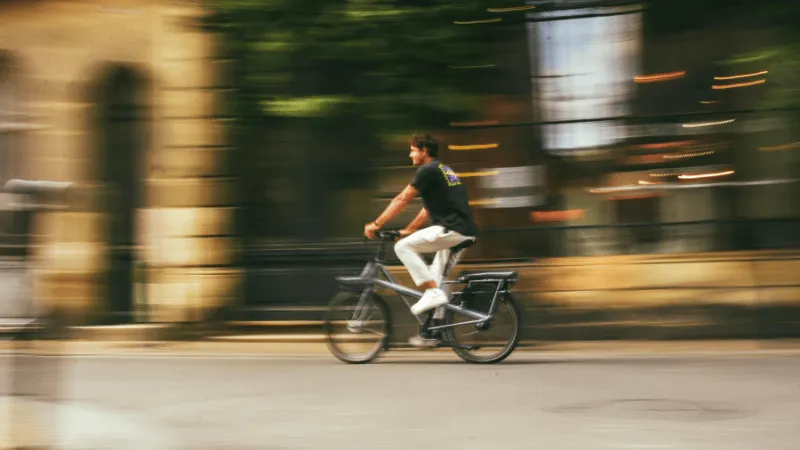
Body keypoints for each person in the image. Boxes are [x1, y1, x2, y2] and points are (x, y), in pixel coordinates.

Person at [364, 133, 479, 347]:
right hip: (464, 231)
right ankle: (435, 331)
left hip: (451, 230)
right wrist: (408, 229)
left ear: (424, 151)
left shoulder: (427, 170)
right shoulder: (444, 170)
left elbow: (403, 198)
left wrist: (377, 223)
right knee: (437, 276)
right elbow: (427, 210)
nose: (410, 154)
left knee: (402, 247)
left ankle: (432, 294)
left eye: (413, 150)